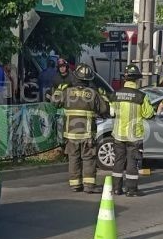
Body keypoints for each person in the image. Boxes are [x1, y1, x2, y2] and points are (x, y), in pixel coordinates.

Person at [52, 63, 109, 193]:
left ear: (75, 77)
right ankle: (89, 186)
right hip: (87, 134)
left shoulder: (67, 92)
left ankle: (75, 185)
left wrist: (59, 90)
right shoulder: (93, 94)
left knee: (73, 158)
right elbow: (105, 109)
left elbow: (55, 102)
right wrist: (104, 96)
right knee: (88, 158)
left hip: (71, 134)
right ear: (89, 79)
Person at [110, 64, 155, 196]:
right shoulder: (142, 96)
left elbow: (112, 112)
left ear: (125, 77)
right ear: (137, 79)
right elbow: (148, 114)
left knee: (118, 161)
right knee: (132, 162)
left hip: (118, 134)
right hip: (134, 136)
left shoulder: (116, 94)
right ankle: (131, 190)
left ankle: (116, 189)